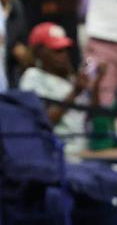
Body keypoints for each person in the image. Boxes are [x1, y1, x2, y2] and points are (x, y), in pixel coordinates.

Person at [18, 23, 92, 156]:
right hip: (58, 152)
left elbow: (91, 117)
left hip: (83, 149)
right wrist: (74, 93)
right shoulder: (32, 77)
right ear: (39, 52)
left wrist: (95, 86)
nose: (63, 55)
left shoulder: (71, 81)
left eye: (65, 50)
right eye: (57, 50)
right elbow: (41, 122)